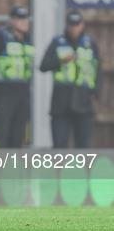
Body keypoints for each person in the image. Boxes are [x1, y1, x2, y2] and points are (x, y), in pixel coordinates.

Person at [39, 11, 102, 148]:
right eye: (71, 25)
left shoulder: (90, 44)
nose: (74, 28)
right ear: (67, 25)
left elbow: (98, 70)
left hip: (84, 102)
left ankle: (81, 170)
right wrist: (60, 61)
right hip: (61, 104)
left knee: (83, 147)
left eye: (77, 25)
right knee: (60, 147)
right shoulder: (57, 42)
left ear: (82, 25)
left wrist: (95, 93)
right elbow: (43, 66)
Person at [0, 6, 35, 148]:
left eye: (25, 19)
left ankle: (14, 169)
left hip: (23, 94)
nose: (24, 22)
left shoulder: (28, 39)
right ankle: (0, 168)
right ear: (12, 20)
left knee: (18, 135)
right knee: (2, 134)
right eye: (19, 19)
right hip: (4, 95)